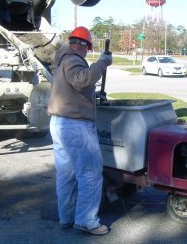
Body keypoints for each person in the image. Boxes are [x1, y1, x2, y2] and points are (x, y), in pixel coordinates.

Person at [47, 26, 112, 235]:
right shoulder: (73, 58)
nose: (87, 51)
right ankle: (86, 220)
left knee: (65, 175)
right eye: (87, 47)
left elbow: (74, 90)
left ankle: (66, 218)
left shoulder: (62, 59)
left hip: (60, 122)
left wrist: (93, 97)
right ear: (83, 45)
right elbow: (81, 78)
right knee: (90, 174)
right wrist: (102, 63)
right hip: (75, 125)